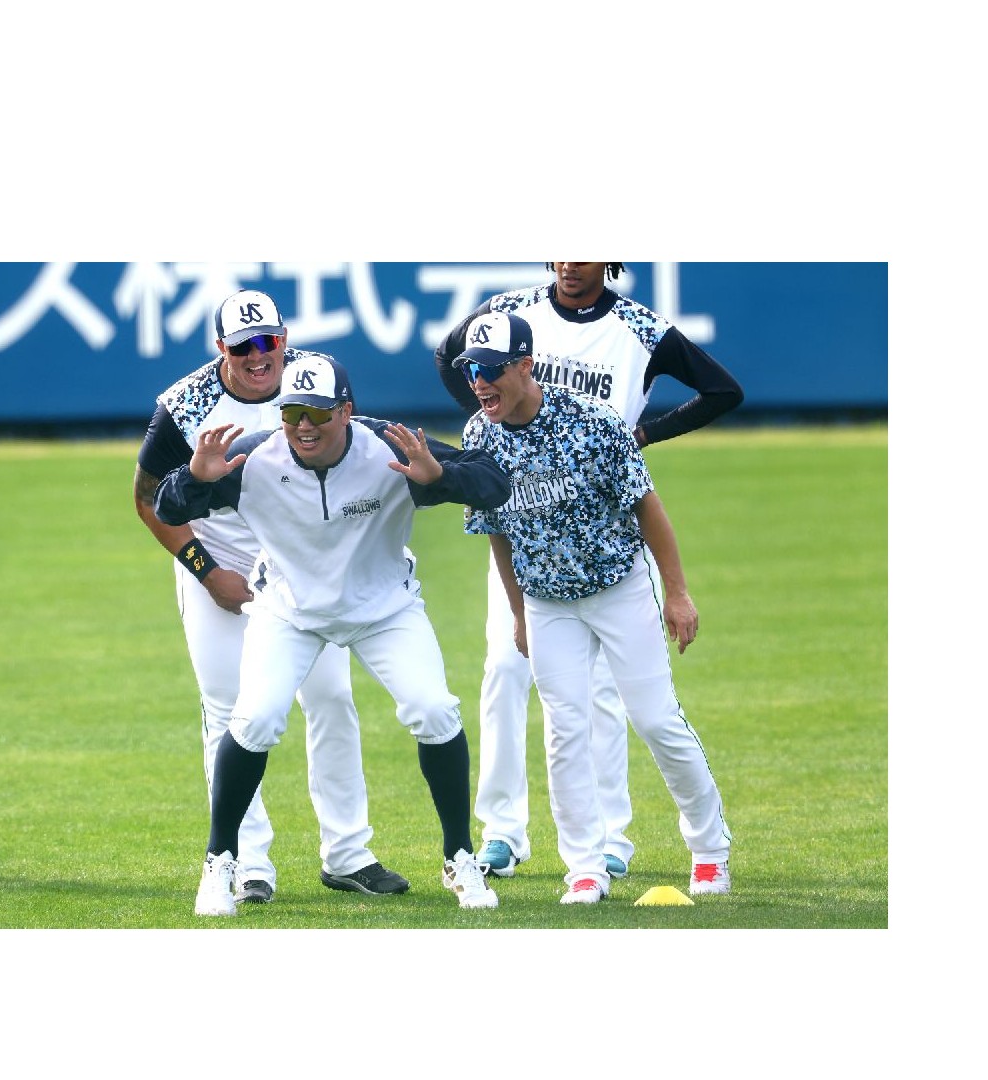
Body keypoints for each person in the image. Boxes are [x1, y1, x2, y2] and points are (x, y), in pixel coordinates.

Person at [152, 354, 510, 915]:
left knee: (434, 710)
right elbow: (167, 506)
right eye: (292, 412)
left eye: (318, 413)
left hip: (384, 608)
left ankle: (459, 858)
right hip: (290, 610)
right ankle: (220, 861)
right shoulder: (255, 458)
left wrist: (441, 479)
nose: (304, 426)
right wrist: (196, 477)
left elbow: (493, 483)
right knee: (255, 720)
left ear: (346, 411)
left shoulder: (388, 447)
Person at [435, 262, 743, 880]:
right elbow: (493, 525)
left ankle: (660, 843)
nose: (478, 380)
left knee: (643, 713)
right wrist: (520, 611)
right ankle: (552, 853)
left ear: (527, 365)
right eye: (474, 372)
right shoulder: (492, 393)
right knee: (531, 695)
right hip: (537, 580)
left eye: (490, 370)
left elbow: (657, 491)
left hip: (613, 569)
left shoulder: (621, 366)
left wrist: (677, 590)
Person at [134, 289, 408, 904]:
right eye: (243, 347)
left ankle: (348, 854)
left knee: (332, 698)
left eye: (269, 342)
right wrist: (208, 572)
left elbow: (356, 459)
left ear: (285, 338)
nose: (259, 356)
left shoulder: (313, 380)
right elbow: (148, 499)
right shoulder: (184, 404)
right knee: (230, 710)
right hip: (222, 565)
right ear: (220, 349)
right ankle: (246, 862)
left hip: (303, 566)